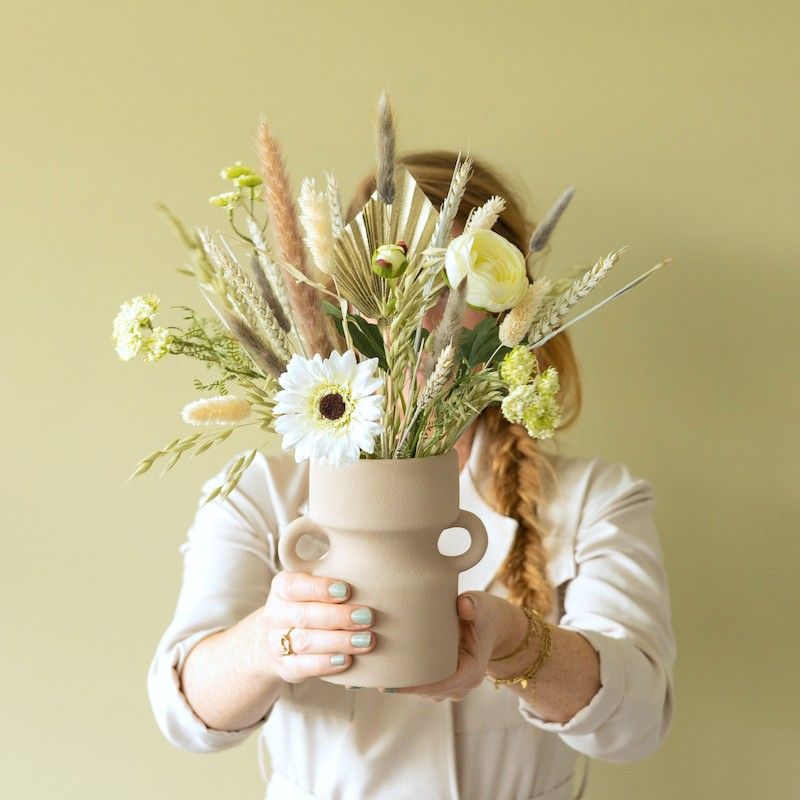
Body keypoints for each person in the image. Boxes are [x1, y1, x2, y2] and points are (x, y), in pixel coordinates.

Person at [147, 151, 676, 800]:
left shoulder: (596, 501)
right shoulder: (263, 494)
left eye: (457, 288)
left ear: (516, 310)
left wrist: (515, 642)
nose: (430, 320)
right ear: (345, 301)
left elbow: (639, 721)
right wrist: (270, 641)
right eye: (399, 283)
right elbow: (184, 714)